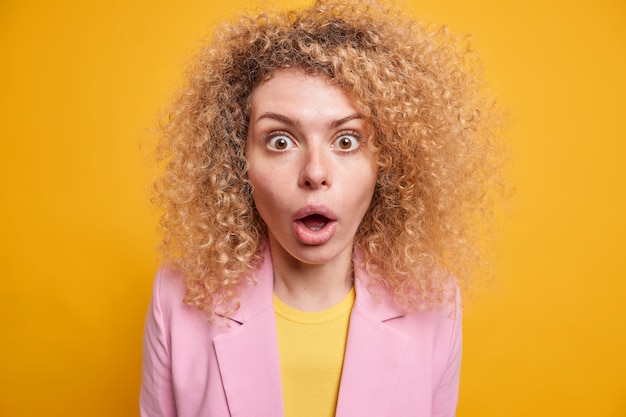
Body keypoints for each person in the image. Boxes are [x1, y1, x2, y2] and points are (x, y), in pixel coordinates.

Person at [140, 0, 502, 416]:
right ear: (236, 161)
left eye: (346, 141)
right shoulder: (177, 297)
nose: (314, 172)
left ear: (389, 161)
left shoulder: (436, 302)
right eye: (280, 141)